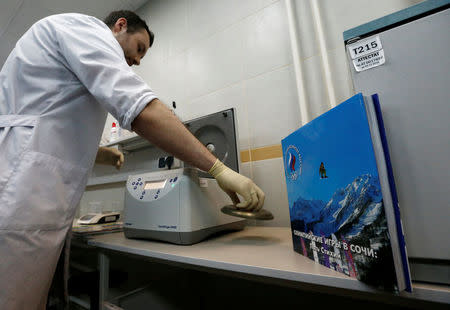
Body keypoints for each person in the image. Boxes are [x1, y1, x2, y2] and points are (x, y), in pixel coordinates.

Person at [0, 10, 265, 309]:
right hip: (19, 190)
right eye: (139, 48)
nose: (138, 61)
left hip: (26, 182)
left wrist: (102, 153)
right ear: (120, 26)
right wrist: (218, 168)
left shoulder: (66, 44)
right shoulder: (85, 30)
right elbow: (139, 109)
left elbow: (48, 121)